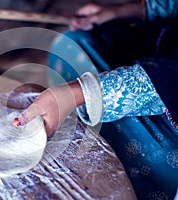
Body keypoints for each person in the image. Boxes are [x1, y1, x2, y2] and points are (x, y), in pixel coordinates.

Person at [17, 1, 178, 199]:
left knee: (147, 151)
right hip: (165, 53)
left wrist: (82, 93)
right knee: (73, 43)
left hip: (170, 103)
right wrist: (121, 11)